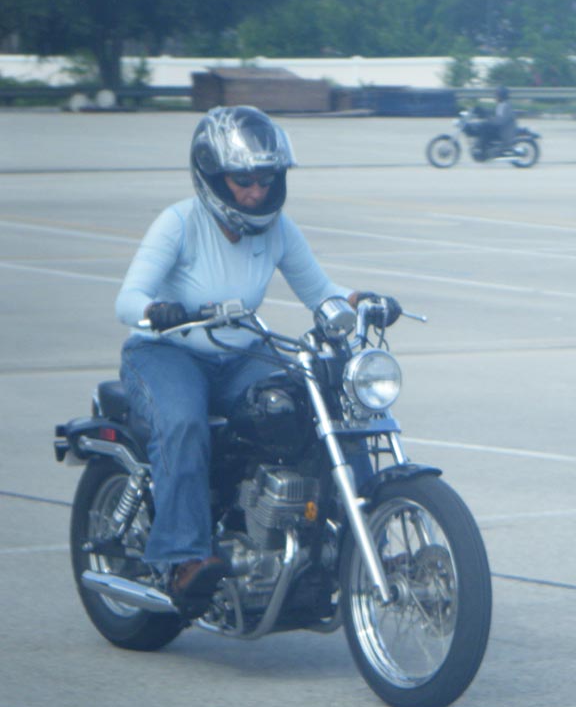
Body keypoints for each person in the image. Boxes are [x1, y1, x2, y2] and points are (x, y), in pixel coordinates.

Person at [115, 105, 395, 612]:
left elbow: (321, 293)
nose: (256, 193)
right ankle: (184, 557)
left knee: (316, 399)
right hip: (166, 351)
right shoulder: (179, 223)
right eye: (242, 181)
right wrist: (156, 311)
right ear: (212, 177)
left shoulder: (277, 230)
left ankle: (350, 535)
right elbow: (127, 299)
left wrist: (360, 302)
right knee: (183, 423)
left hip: (238, 351)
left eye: (266, 180)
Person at [474, 86, 516, 153]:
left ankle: (483, 150)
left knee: (485, 126)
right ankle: (481, 146)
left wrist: (488, 118)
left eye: (497, 95)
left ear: (502, 96)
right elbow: (494, 114)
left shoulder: (506, 106)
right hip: (501, 129)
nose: (495, 97)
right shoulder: (501, 104)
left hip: (504, 132)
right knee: (482, 125)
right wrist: (482, 111)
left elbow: (500, 121)